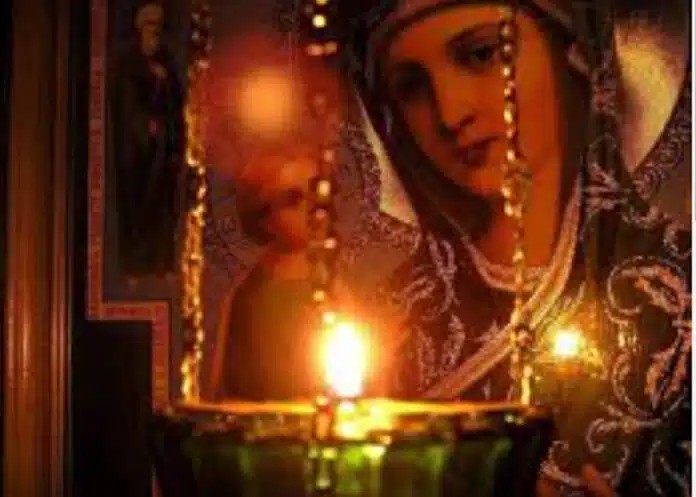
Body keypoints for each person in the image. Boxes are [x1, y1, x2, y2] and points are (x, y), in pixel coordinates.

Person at [213, 1, 691, 495]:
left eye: (481, 54)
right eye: (411, 87)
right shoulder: (394, 319)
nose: (450, 111)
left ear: (571, 53)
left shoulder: (677, 291)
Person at [110, 0, 185, 279]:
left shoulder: (166, 61)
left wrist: (164, 87)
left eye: (159, 26)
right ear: (140, 27)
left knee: (162, 211)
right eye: (151, 24)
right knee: (137, 209)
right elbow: (126, 106)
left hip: (162, 151)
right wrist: (145, 124)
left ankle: (160, 264)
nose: (156, 31)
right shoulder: (128, 64)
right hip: (136, 154)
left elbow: (176, 103)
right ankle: (135, 266)